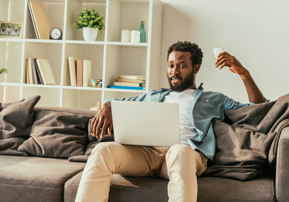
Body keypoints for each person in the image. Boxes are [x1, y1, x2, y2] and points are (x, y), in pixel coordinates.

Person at [75, 41, 269, 202]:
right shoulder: (153, 96)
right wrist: (108, 105)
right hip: (147, 155)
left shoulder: (214, 99)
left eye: (182, 66)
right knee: (102, 151)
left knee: (179, 151)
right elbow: (118, 104)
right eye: (171, 65)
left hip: (186, 154)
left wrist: (244, 74)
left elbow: (258, 111)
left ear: (196, 68)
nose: (174, 71)